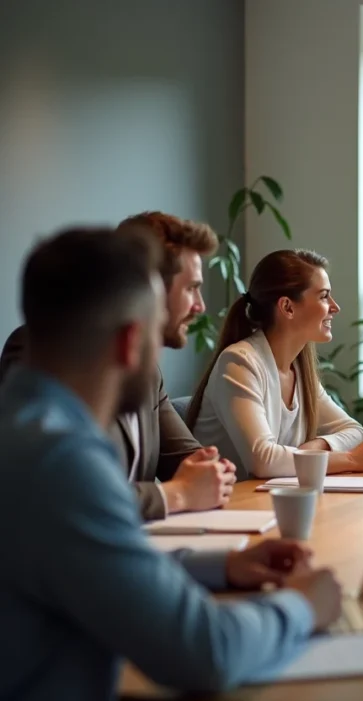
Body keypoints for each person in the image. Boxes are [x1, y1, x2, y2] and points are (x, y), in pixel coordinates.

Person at [0, 226, 341, 699]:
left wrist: (224, 567)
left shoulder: (25, 422)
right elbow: (205, 653)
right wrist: (301, 606)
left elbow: (91, 557)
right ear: (128, 343)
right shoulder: (61, 462)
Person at [0, 211, 235, 520]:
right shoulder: (38, 351)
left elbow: (188, 461)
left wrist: (209, 473)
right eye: (191, 287)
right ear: (151, 285)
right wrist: (176, 494)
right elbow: (68, 488)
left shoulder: (148, 373)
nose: (200, 306)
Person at [187, 249, 363, 481]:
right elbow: (263, 461)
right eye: (324, 296)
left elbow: (355, 431)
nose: (335, 307)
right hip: (227, 509)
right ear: (287, 307)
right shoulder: (239, 362)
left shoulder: (299, 370)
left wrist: (311, 450)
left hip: (263, 503)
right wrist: (352, 460)